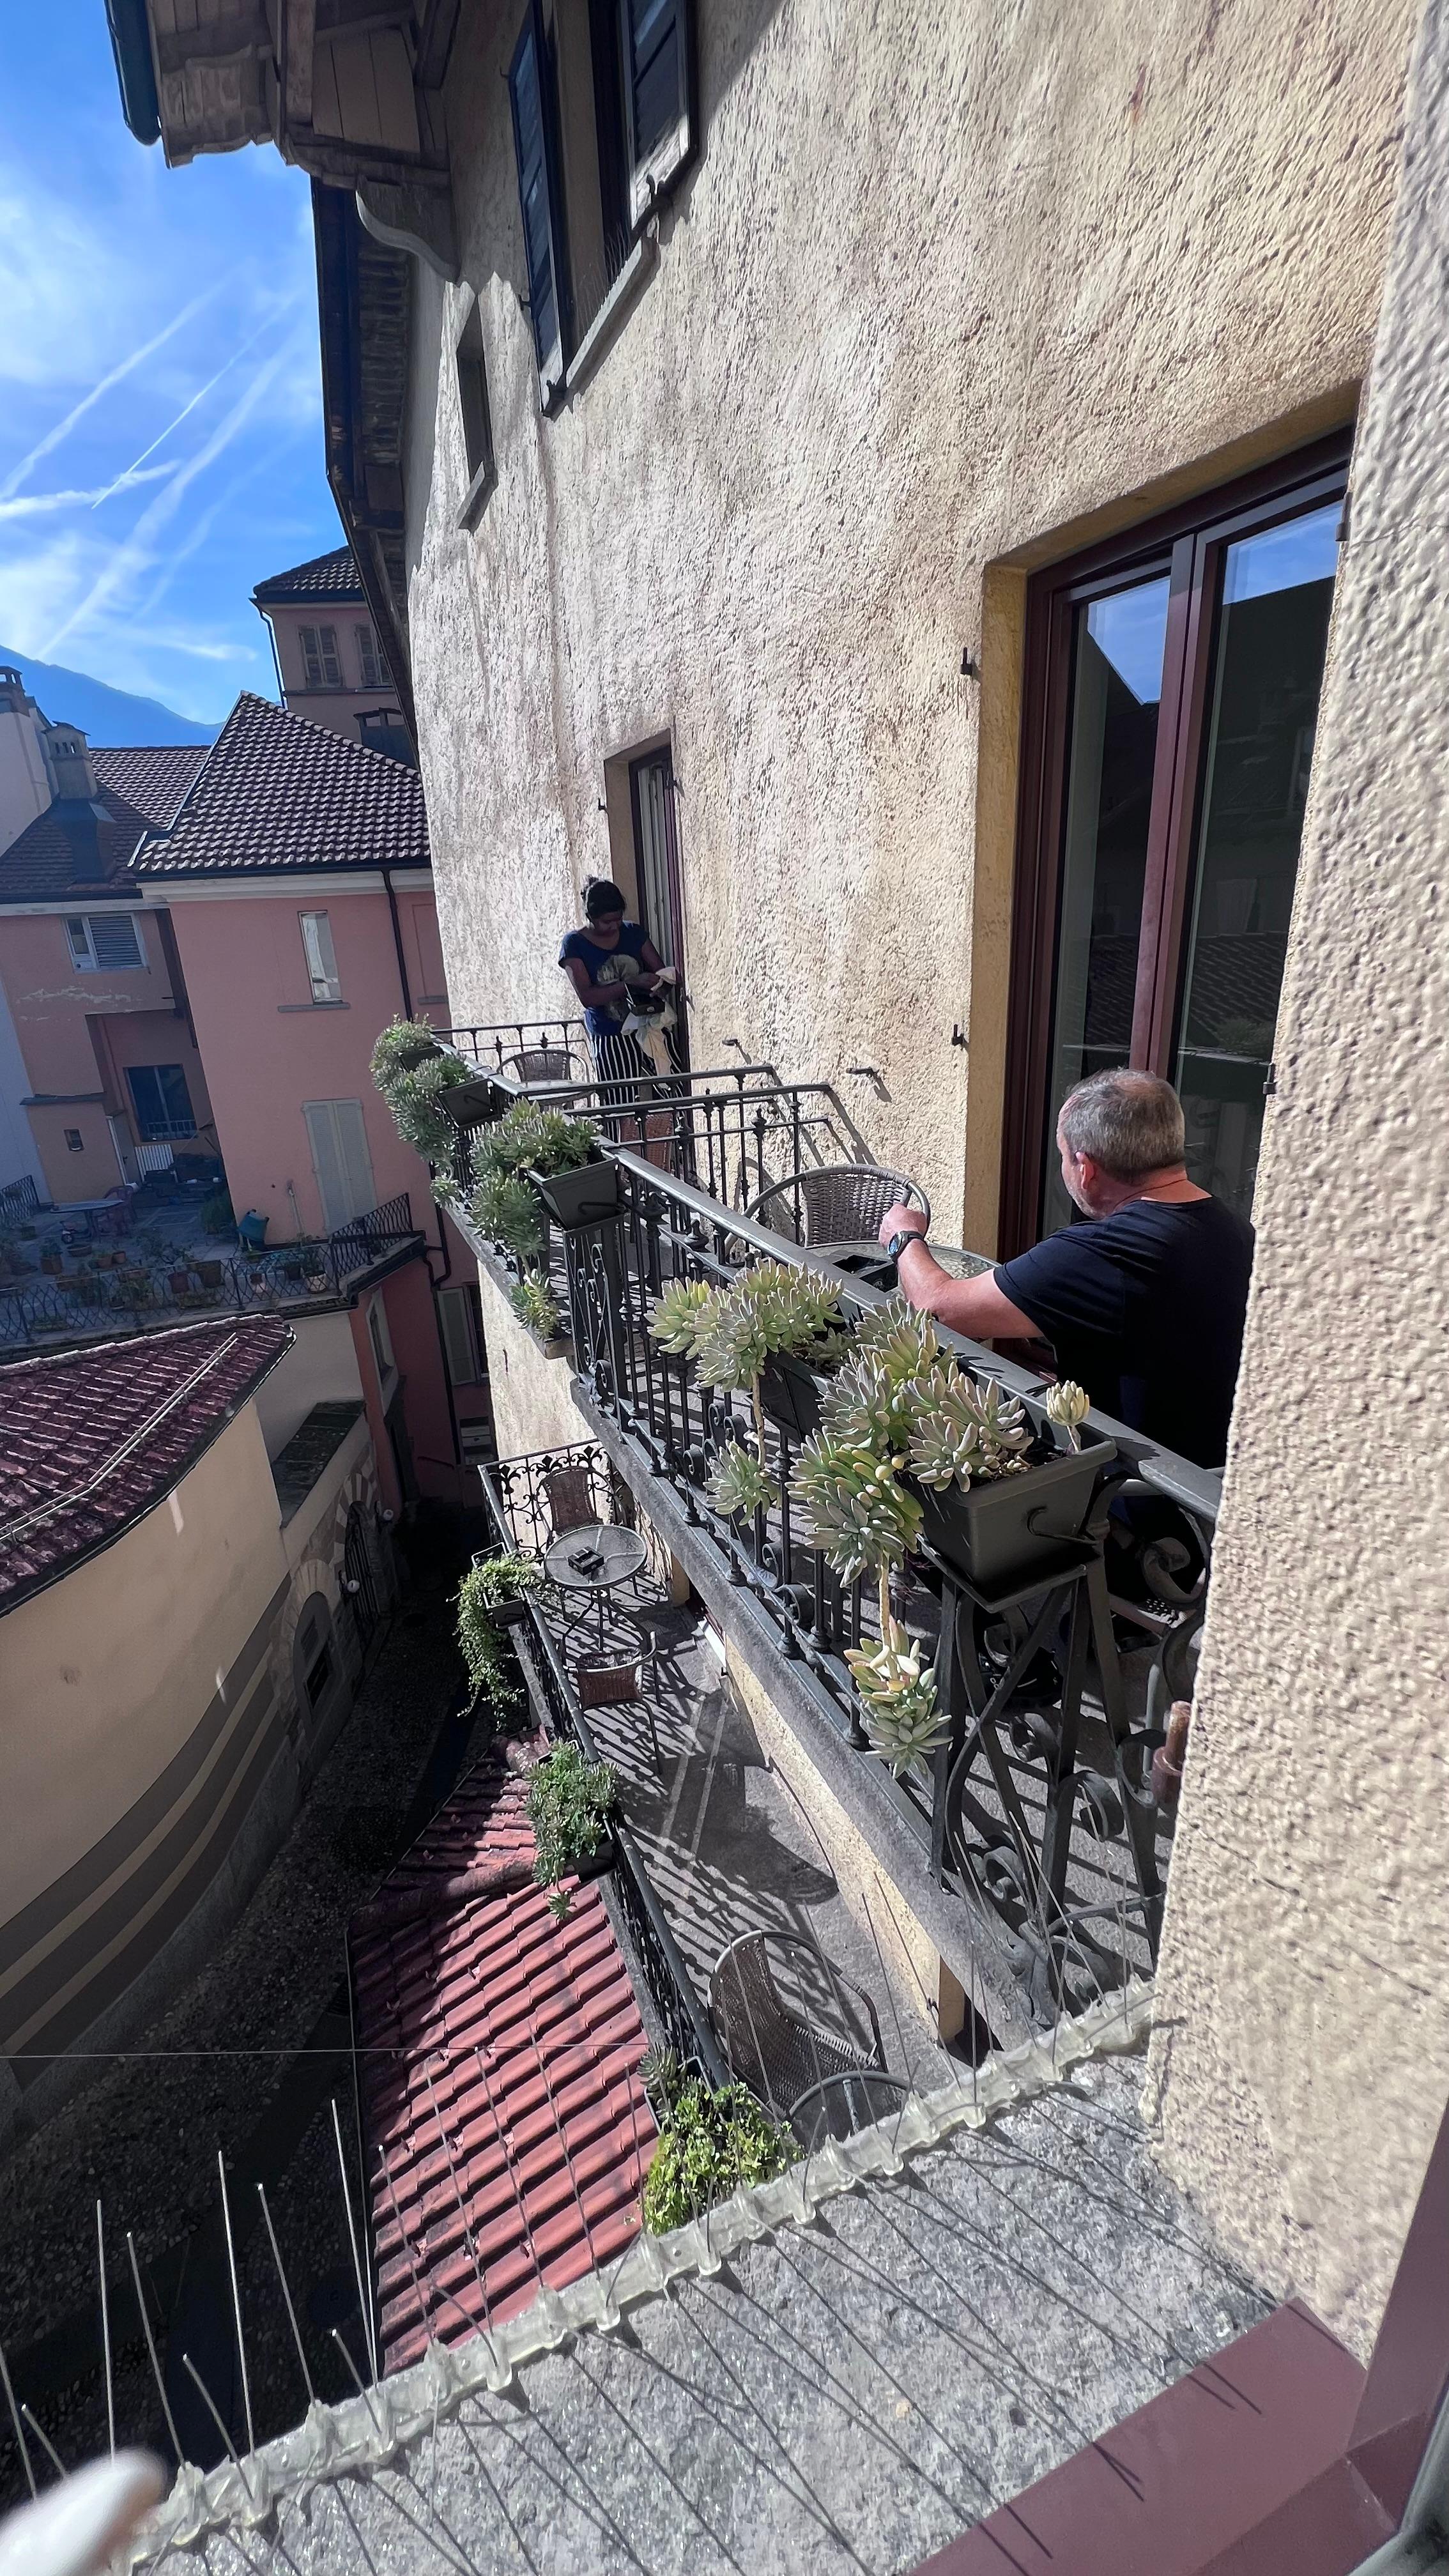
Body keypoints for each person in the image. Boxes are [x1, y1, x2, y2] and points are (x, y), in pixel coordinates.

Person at [877, 1069, 1254, 1469]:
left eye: (1062, 1156)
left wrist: (904, 1238)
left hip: (1132, 1499)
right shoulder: (1237, 1230)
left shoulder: (1101, 1253)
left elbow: (940, 1308)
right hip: (1214, 1484)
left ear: (1085, 1168)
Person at [559, 878, 677, 1096]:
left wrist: (661, 985)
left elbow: (661, 972)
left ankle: (684, 1129)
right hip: (610, 1036)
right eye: (607, 922)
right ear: (590, 917)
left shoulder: (632, 932)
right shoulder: (574, 944)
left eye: (618, 919)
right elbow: (587, 997)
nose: (615, 926)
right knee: (620, 1103)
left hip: (648, 1025)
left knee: (676, 1089)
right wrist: (630, 984)